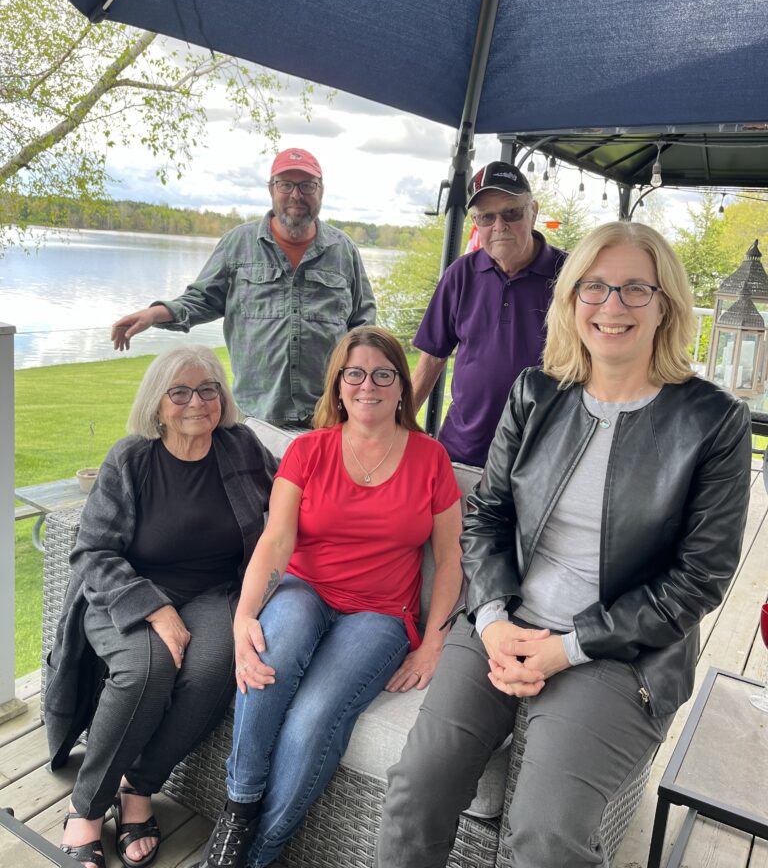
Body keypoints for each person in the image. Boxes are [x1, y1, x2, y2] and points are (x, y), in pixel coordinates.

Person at [376, 222, 752, 868]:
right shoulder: (536, 392)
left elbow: (701, 577)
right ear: (570, 298)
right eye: (595, 287)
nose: (612, 306)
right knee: (415, 790)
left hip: (618, 650)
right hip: (504, 621)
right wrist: (492, 619)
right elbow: (487, 516)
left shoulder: (712, 422)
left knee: (546, 833)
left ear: (667, 304)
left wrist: (567, 648)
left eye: (637, 289)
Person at [194, 326, 464, 868]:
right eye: (355, 374)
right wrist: (245, 615)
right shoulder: (309, 451)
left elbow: (452, 558)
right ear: (338, 385)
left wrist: (433, 645)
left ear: (401, 386)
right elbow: (276, 540)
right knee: (269, 660)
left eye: (383, 374)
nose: (369, 385)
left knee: (314, 716)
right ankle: (239, 809)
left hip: (381, 613)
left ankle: (259, 854)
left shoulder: (430, 459)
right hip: (305, 588)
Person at [46, 345, 276, 868]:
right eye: (180, 391)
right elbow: (91, 551)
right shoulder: (131, 458)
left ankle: (138, 788)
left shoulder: (240, 447)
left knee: (221, 664)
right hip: (125, 589)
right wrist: (154, 609)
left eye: (208, 389)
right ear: (157, 403)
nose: (197, 401)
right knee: (147, 668)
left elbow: (295, 488)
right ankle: (86, 808)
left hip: (213, 591)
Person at [111, 148, 376, 426]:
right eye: (285, 184)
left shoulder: (343, 250)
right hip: (255, 418)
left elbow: (363, 324)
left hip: (328, 417)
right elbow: (201, 300)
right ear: (271, 189)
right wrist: (155, 314)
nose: (296, 194)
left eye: (307, 185)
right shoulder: (238, 244)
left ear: (321, 190)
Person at [411, 161, 567, 467]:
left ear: (533, 211)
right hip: (461, 450)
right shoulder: (461, 274)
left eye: (511, 212)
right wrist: (398, 424)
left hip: (539, 456)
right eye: (486, 217)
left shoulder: (569, 275)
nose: (499, 226)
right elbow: (431, 357)